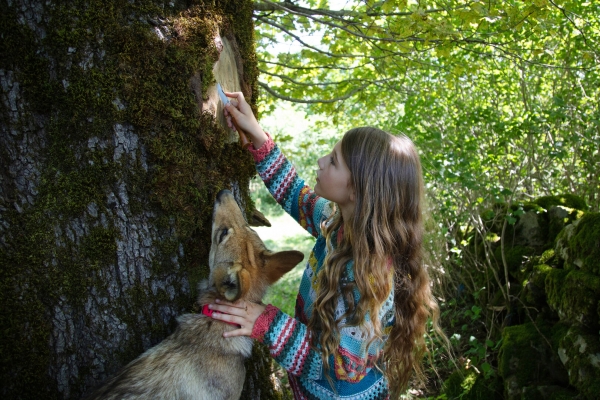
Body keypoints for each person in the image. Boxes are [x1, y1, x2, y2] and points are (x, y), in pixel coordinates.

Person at [207, 91, 441, 399]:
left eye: (333, 161)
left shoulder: (369, 278)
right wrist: (257, 136)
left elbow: (346, 365)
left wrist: (267, 322)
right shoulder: (337, 225)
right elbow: (295, 194)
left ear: (357, 190)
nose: (321, 162)